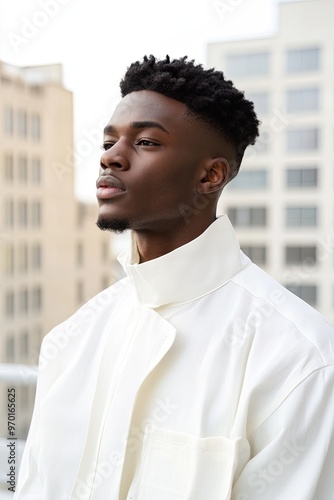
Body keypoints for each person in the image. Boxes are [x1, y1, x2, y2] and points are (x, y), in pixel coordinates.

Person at [15, 55, 334, 499]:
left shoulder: (301, 360)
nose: (111, 157)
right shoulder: (72, 338)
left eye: (145, 142)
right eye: (109, 140)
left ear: (210, 175)